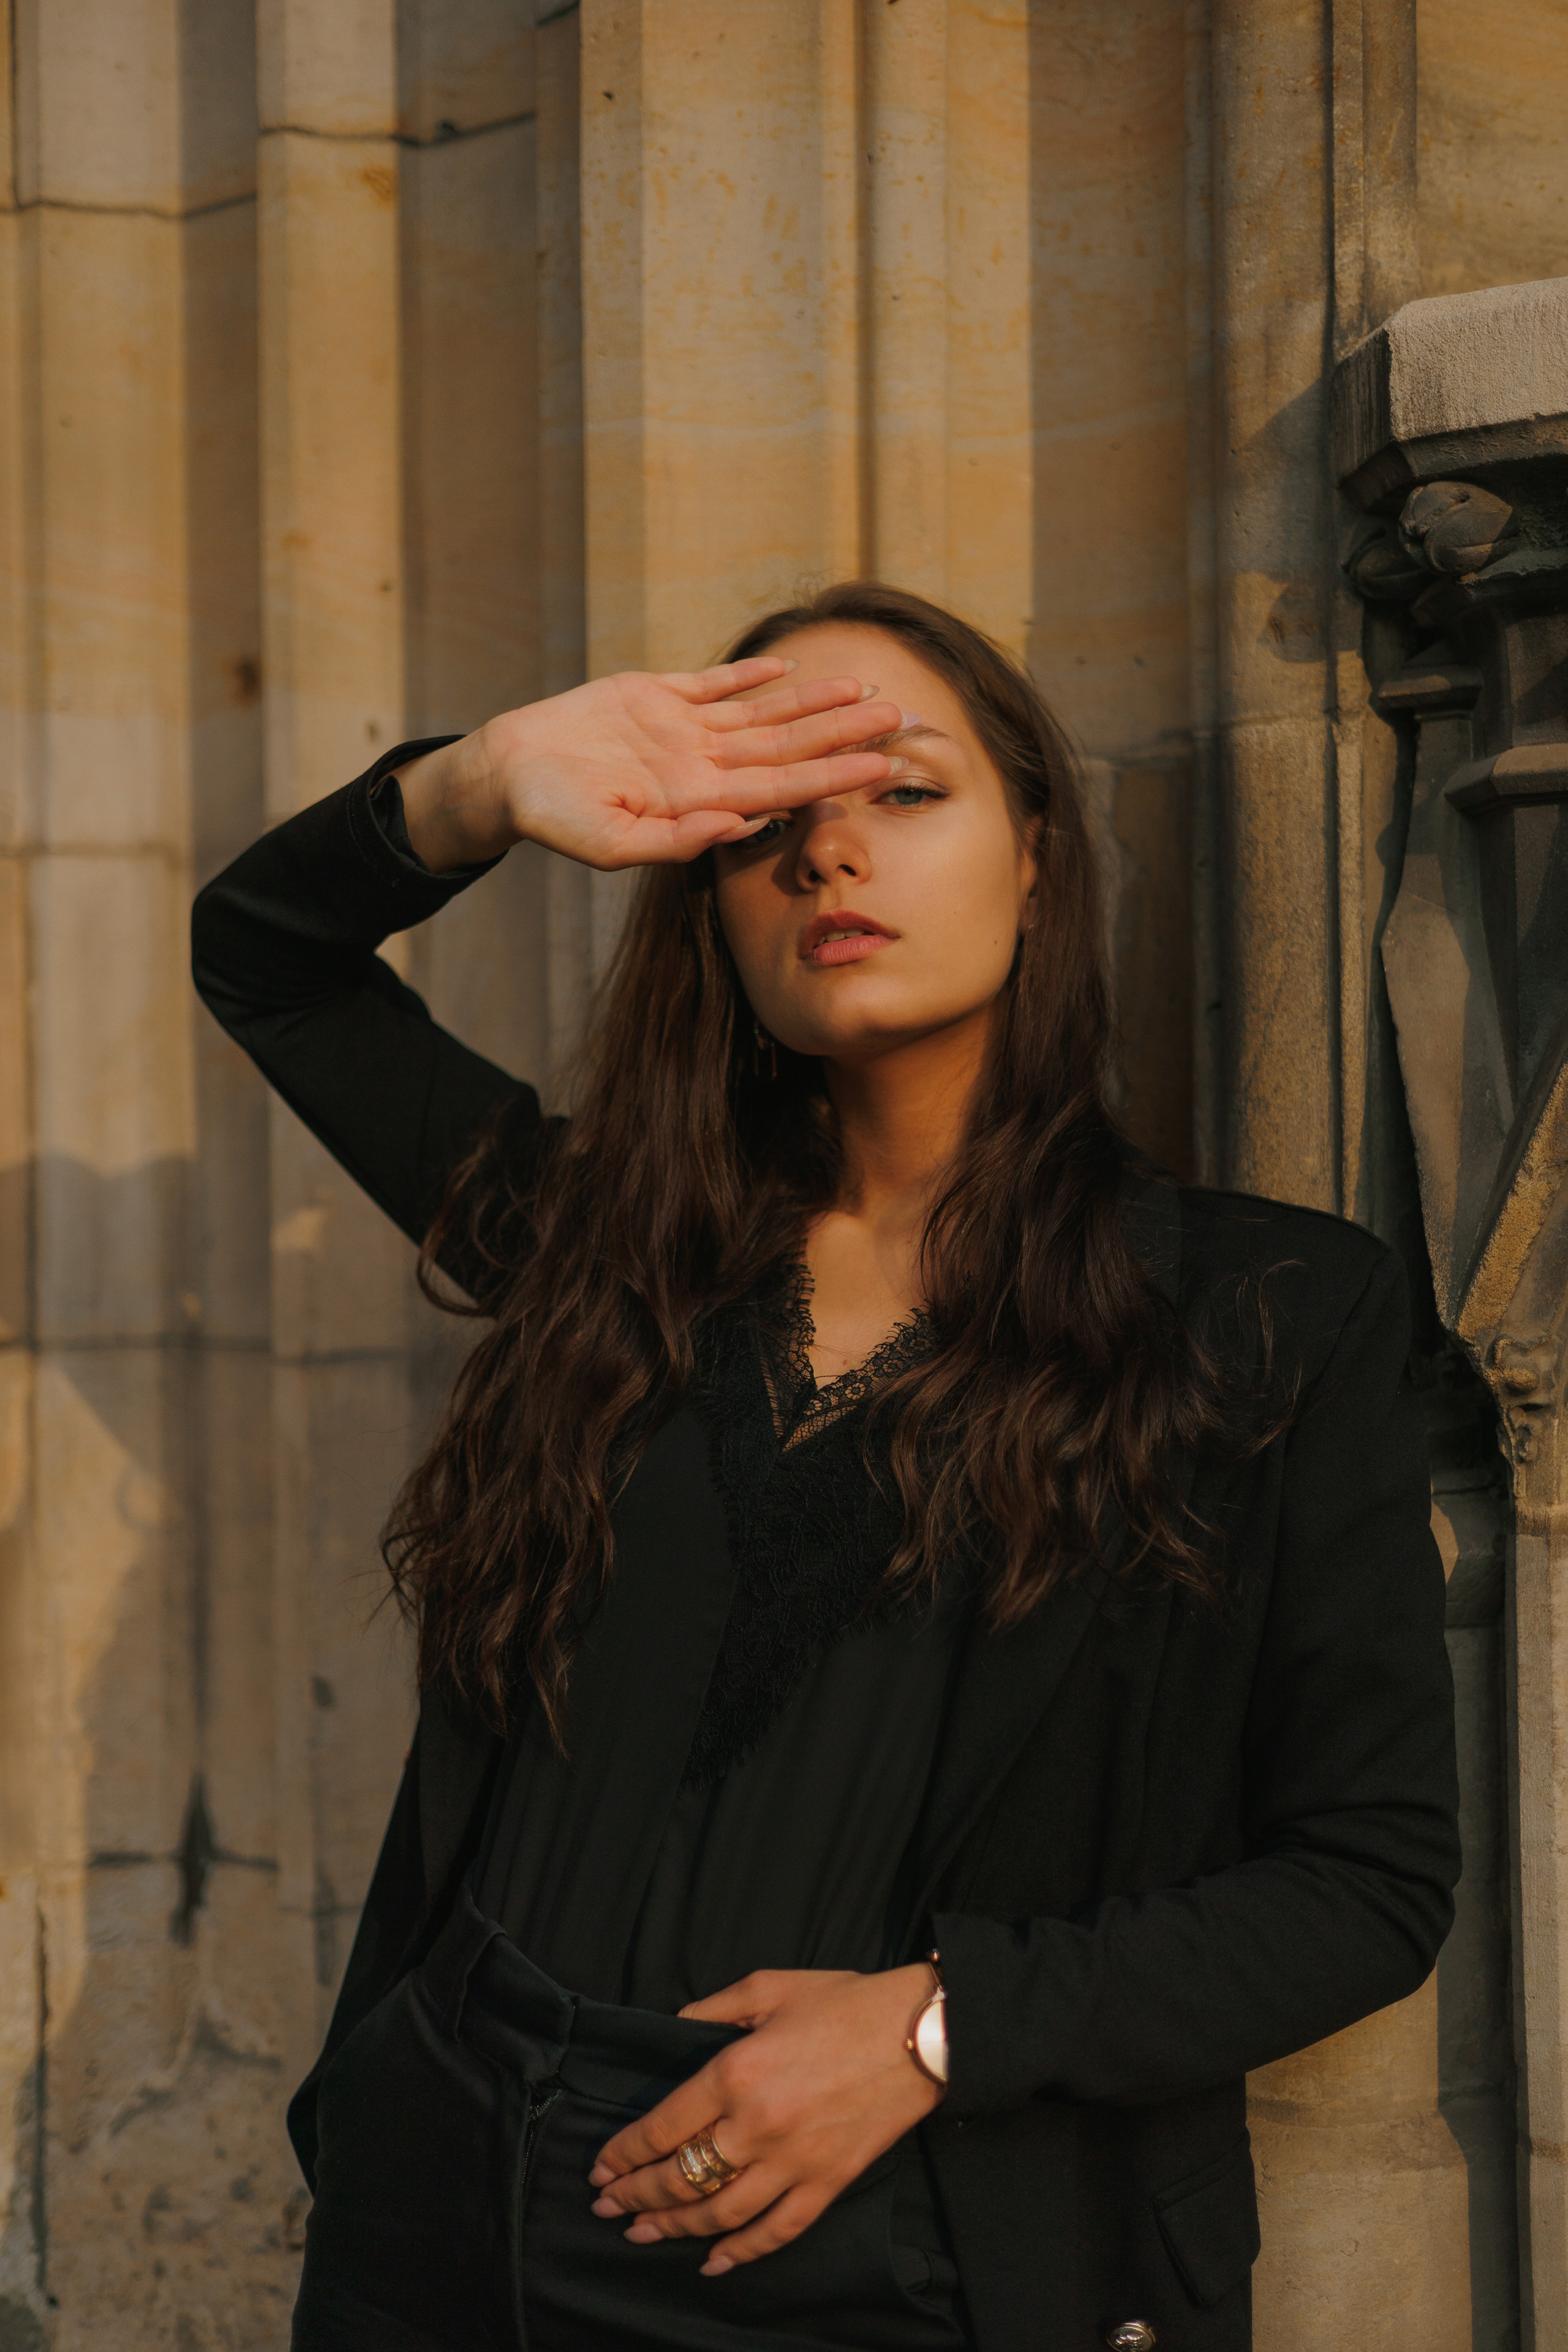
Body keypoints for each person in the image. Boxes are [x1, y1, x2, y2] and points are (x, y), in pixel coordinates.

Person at [191, 581, 1459, 2352]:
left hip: (915, 2245)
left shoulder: (1267, 1316)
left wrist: (945, 2027)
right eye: (766, 827)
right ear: (708, 901)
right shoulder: (601, 1246)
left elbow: (1369, 1880)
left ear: (1037, 851)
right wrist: (483, 782)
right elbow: (262, 951)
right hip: (453, 2200)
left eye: (906, 794)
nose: (826, 860)